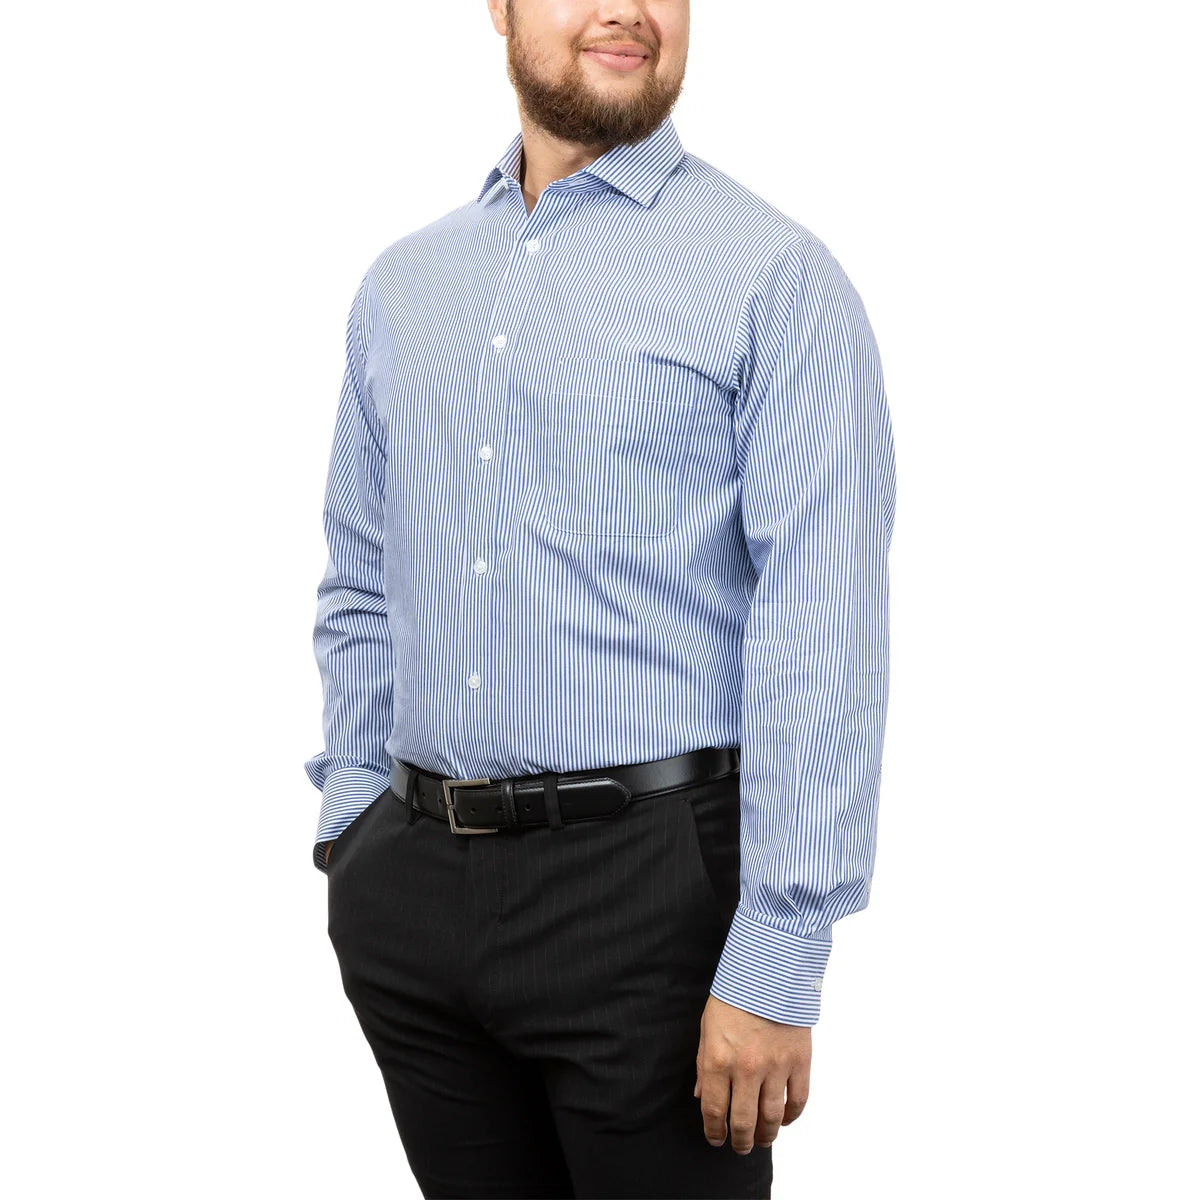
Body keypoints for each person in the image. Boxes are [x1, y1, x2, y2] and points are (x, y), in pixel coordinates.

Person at [304, 2, 896, 1196]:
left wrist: (779, 950)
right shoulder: (404, 285)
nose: (628, 8)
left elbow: (822, 630)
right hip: (411, 892)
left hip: (653, 900)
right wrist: (352, 827)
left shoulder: (772, 278)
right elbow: (362, 575)